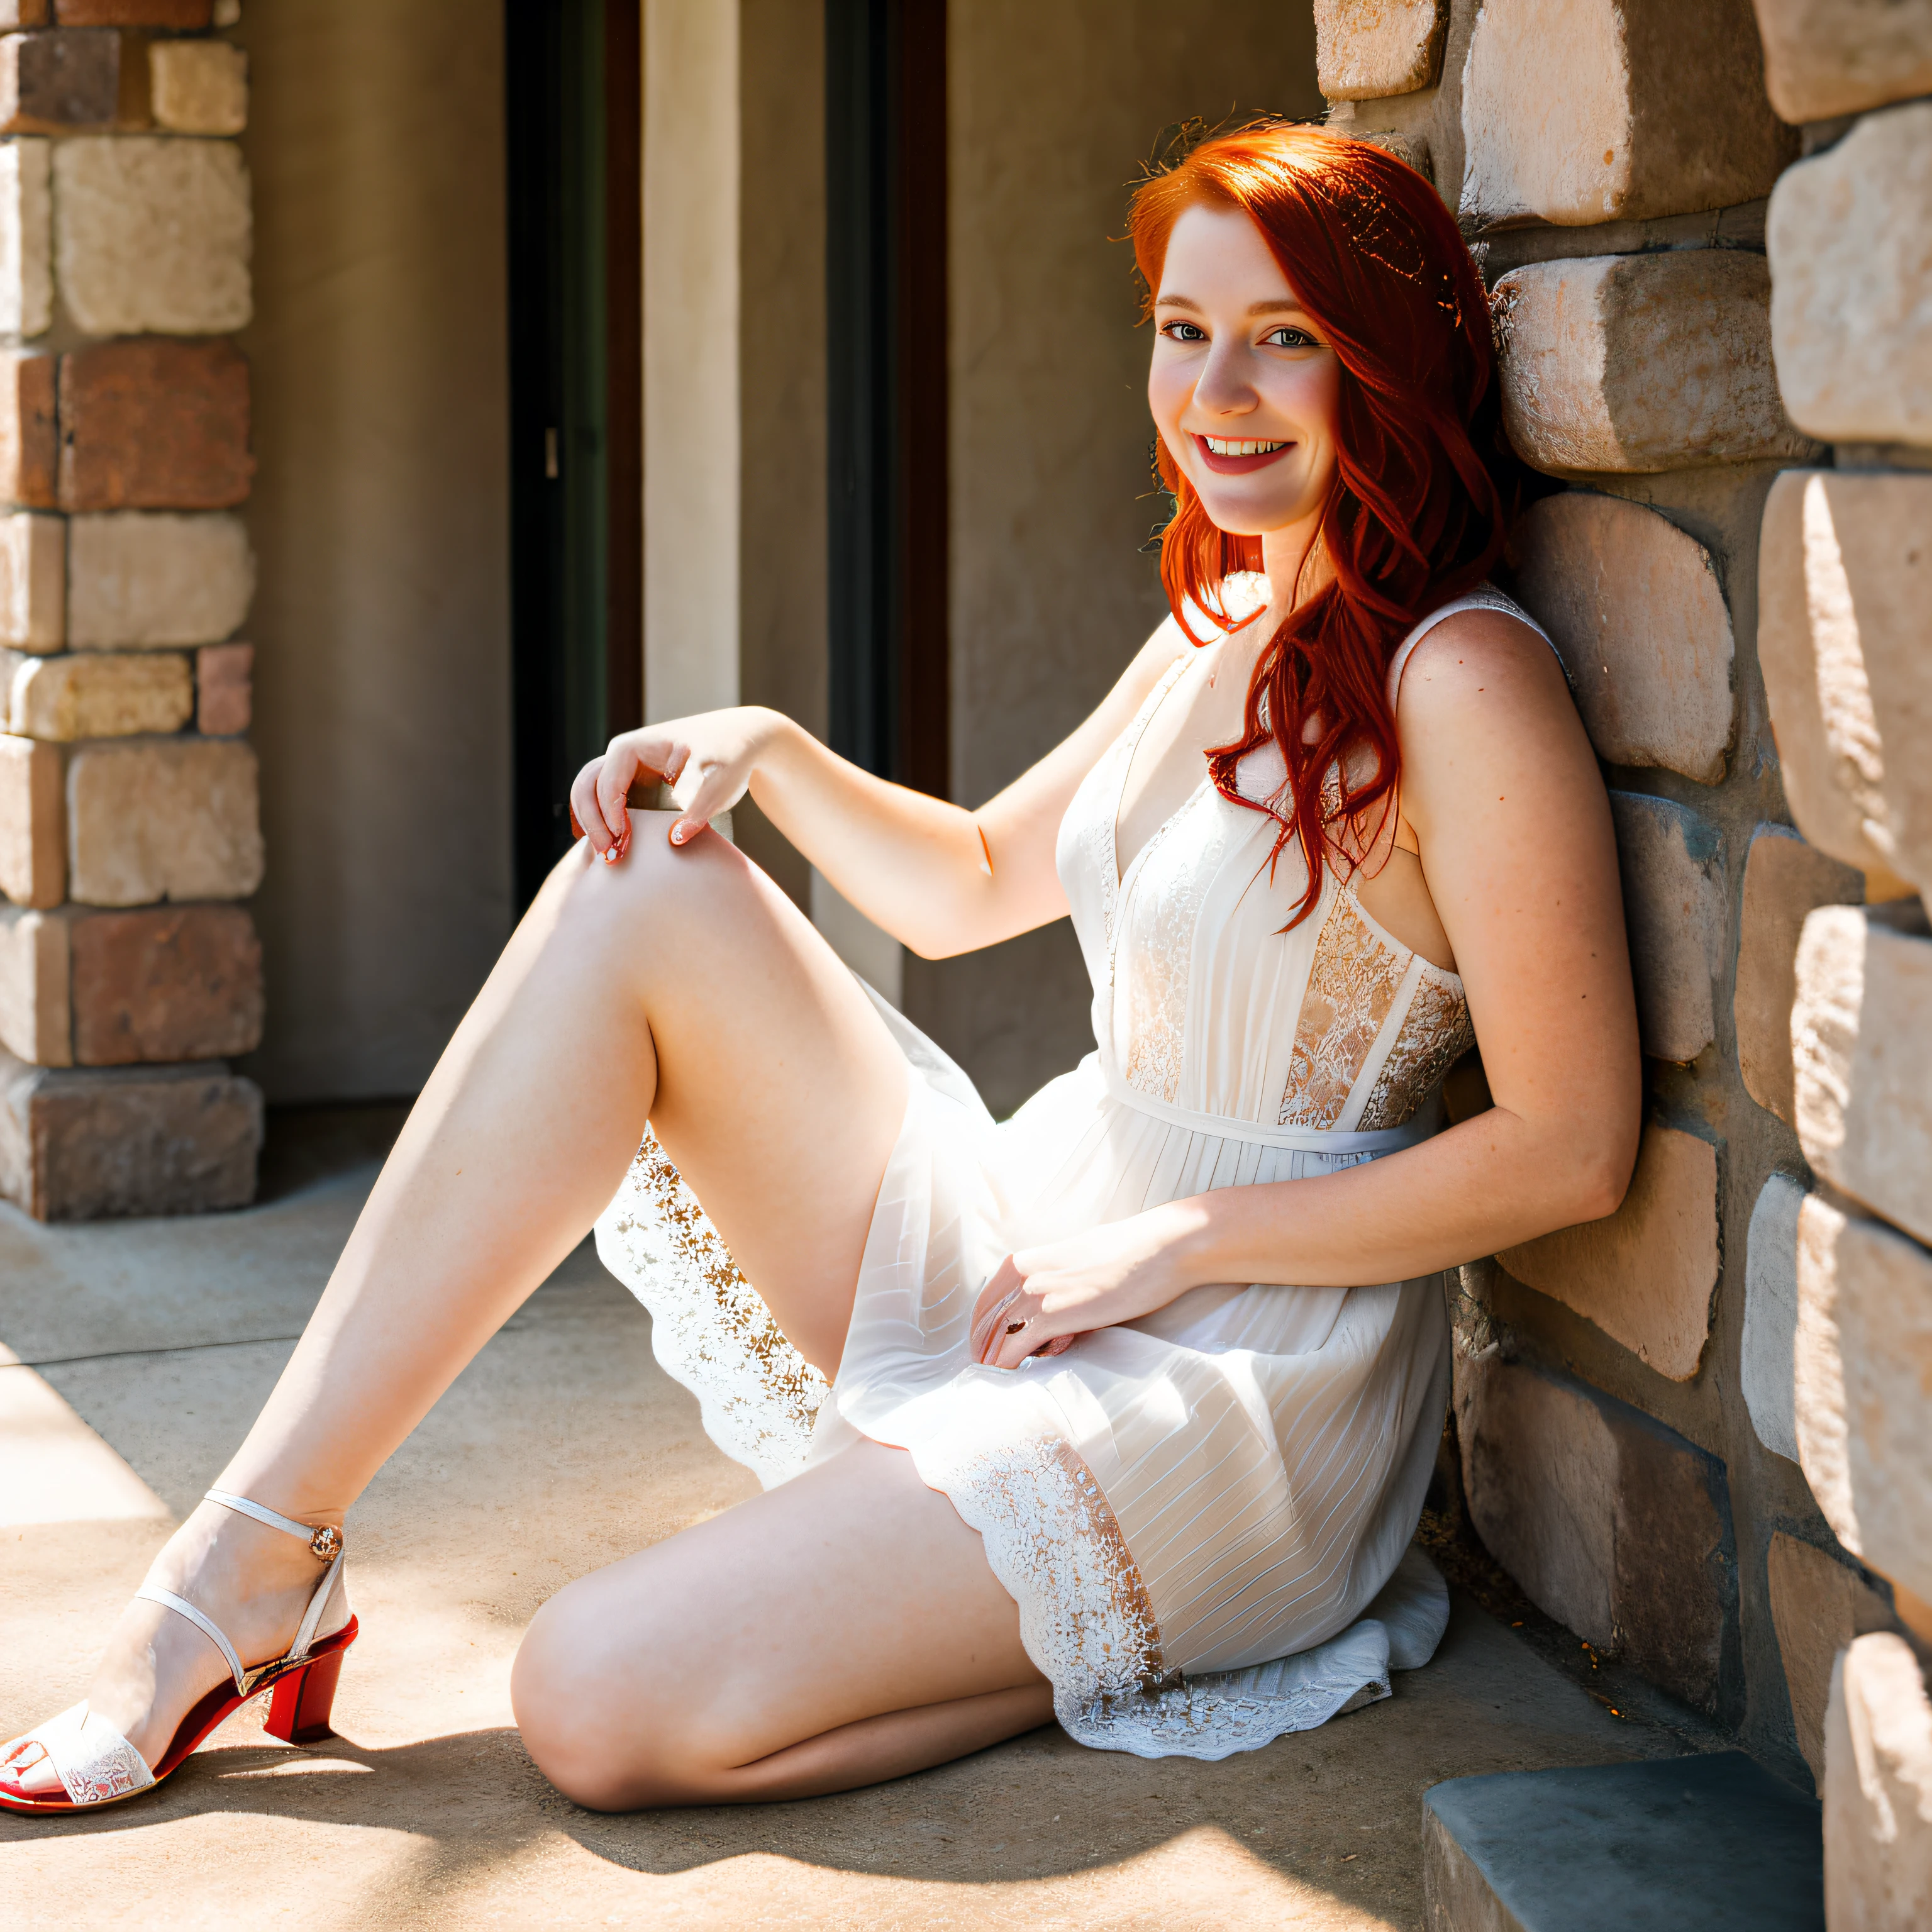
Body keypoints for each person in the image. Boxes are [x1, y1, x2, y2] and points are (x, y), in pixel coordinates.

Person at [0, 121, 1638, 1816]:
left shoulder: (1462, 682)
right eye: (1180, 327)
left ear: (1390, 355)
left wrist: (1177, 1246)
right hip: (1053, 1234)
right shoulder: (1225, 615)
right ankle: (258, 1551)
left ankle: (1070, 1639)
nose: (1215, 385)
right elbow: (980, 878)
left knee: (588, 1698)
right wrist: (773, 749)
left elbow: (1572, 1142)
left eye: (1283, 335)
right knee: (640, 883)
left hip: (1242, 1376)